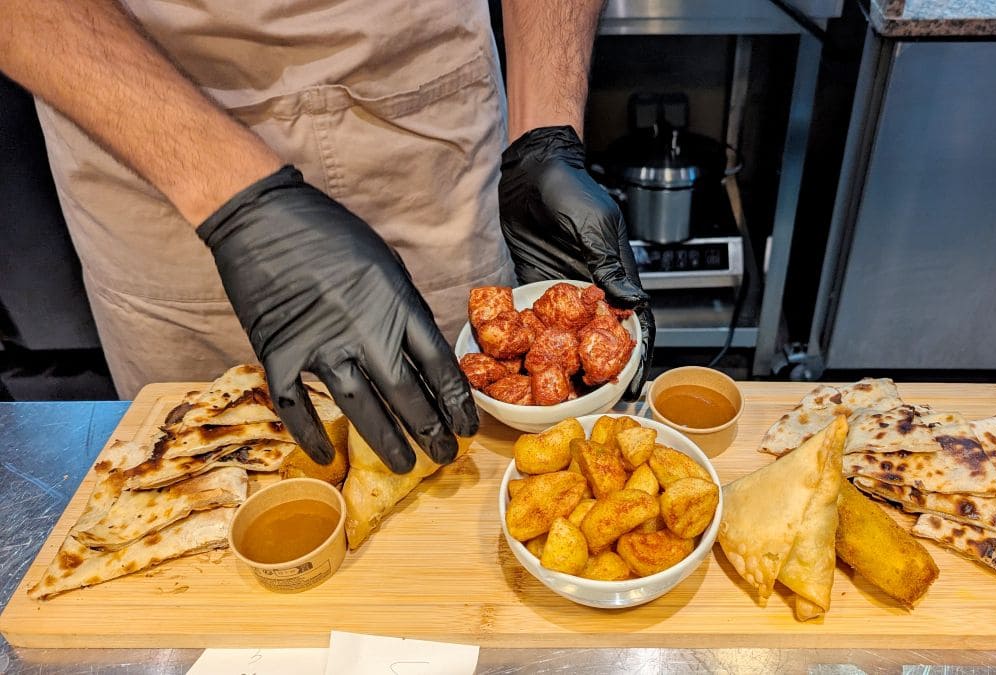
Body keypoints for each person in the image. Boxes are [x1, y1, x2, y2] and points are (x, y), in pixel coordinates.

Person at [0, 1, 653, 474]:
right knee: (208, 487)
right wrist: (234, 201)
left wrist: (545, 132)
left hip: (426, 124)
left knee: (464, 482)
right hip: (151, 128)